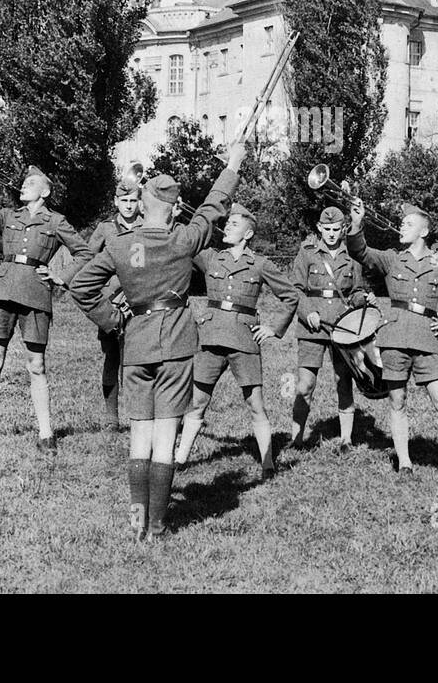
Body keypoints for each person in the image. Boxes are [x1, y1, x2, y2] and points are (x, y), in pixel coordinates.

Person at [68, 144, 244, 541]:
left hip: (137, 344)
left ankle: (136, 523)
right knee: (166, 437)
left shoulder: (119, 244)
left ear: (144, 204)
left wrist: (112, 319)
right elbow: (214, 206)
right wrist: (233, 162)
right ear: (174, 207)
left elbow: (81, 286)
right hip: (178, 344)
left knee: (139, 436)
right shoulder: (183, 239)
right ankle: (158, 527)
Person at [0, 160, 92, 452]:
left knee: (36, 365)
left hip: (35, 295)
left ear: (45, 192)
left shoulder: (56, 221)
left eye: (30, 183)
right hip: (3, 290)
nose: (23, 186)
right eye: (24, 183)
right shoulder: (8, 215)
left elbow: (85, 252)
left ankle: (46, 434)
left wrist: (60, 276)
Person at [346, 198, 438, 478]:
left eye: (408, 224)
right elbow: (360, 251)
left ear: (424, 232)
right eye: (402, 223)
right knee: (397, 401)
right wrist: (357, 223)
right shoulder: (393, 258)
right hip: (393, 339)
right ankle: (404, 463)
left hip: (426, 339)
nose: (402, 227)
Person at [174, 203, 297, 479]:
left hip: (244, 340)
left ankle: (268, 464)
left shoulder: (261, 264)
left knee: (256, 404)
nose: (226, 228)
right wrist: (176, 216)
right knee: (197, 401)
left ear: (248, 233)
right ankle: (180, 458)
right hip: (211, 336)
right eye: (226, 223)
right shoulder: (210, 258)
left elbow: (290, 295)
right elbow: (184, 242)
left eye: (233, 224)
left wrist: (274, 328)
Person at [287, 206, 374, 451]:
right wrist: (307, 312)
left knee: (343, 382)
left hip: (342, 327)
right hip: (312, 327)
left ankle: (346, 439)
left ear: (343, 229)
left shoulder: (352, 256)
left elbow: (356, 291)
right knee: (305, 385)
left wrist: (362, 300)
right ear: (319, 228)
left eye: (337, 229)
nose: (332, 234)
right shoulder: (307, 252)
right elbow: (294, 289)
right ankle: (297, 439)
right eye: (327, 229)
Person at [81, 177, 143, 429]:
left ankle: (139, 416)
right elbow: (87, 259)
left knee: (137, 359)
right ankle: (111, 418)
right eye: (124, 201)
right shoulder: (105, 228)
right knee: (112, 357)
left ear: (140, 202)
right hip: (112, 305)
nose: (128, 206)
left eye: (133, 200)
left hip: (140, 303)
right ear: (116, 202)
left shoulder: (148, 227)